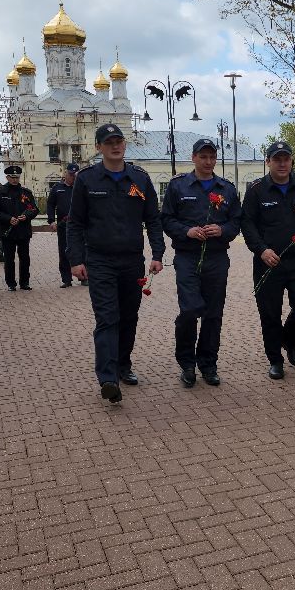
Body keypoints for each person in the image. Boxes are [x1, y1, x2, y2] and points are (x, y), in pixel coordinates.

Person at [66, 123, 164, 404]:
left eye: (119, 141)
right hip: (99, 261)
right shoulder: (87, 180)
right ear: (99, 147)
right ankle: (108, 378)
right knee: (108, 317)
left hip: (132, 261)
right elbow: (76, 224)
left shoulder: (139, 179)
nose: (115, 146)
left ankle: (123, 364)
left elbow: (153, 220)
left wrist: (157, 254)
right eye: (108, 142)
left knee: (129, 317)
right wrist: (75, 260)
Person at [241, 140, 295, 379]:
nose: (281, 163)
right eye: (276, 159)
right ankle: (275, 360)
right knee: (270, 313)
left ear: (291, 162)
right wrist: (261, 250)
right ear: (268, 162)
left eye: (286, 159)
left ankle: (288, 340)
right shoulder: (257, 190)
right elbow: (247, 225)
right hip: (267, 261)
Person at [161, 138, 241, 388]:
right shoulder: (178, 186)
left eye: (211, 157)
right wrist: (187, 232)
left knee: (213, 313)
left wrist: (222, 229)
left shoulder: (226, 188)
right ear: (193, 157)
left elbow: (237, 222)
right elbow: (166, 219)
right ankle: (186, 362)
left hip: (217, 258)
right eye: (203, 156)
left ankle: (208, 363)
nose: (208, 162)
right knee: (190, 309)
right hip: (187, 257)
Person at [0, 165, 39, 291]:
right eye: (12, 177)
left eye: (17, 177)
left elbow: (34, 209)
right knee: (9, 259)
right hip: (8, 231)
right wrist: (8, 218)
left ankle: (24, 282)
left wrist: (26, 216)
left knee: (25, 258)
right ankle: (11, 283)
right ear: (7, 177)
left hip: (23, 231)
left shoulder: (26, 193)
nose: (15, 180)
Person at [47, 163, 81, 287]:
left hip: (80, 225)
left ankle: (84, 277)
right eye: (70, 174)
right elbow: (50, 205)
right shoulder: (57, 188)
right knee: (64, 251)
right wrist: (51, 221)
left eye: (75, 175)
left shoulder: (81, 188)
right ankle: (66, 279)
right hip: (63, 225)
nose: (72, 177)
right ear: (65, 173)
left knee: (82, 250)